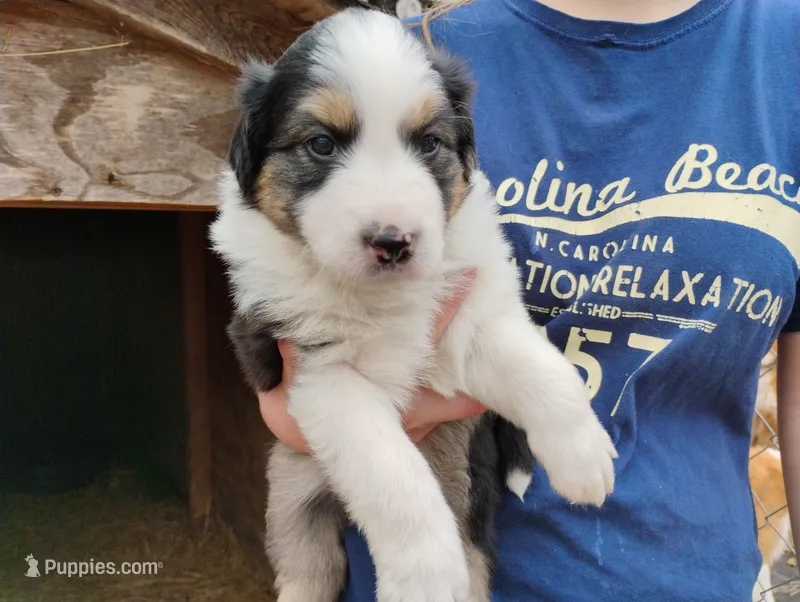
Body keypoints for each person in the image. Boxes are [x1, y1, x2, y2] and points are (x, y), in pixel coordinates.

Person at [258, 0, 800, 599]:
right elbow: (292, 399)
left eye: (429, 145)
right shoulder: (411, 46)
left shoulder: (784, 47)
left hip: (697, 573)